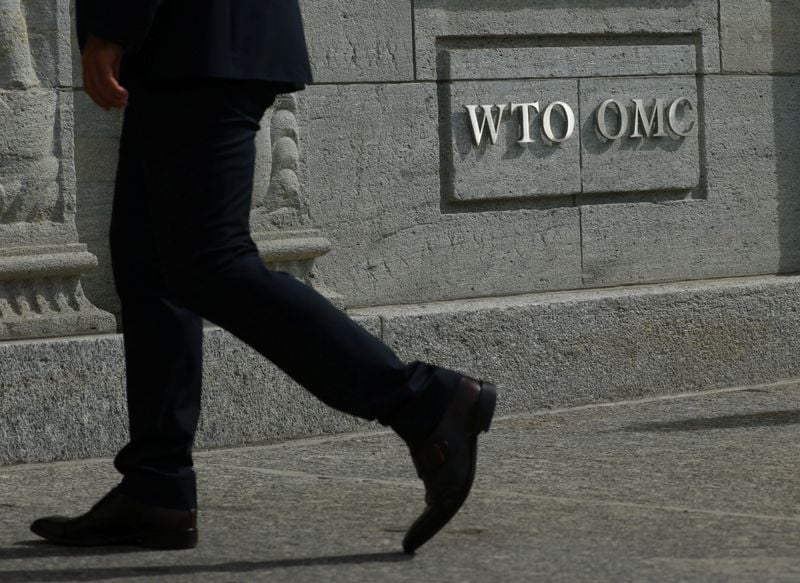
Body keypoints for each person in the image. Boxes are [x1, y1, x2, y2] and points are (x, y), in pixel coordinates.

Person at [29, 0, 496, 555]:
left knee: (211, 263)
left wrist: (114, 22)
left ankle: (425, 401)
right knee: (150, 266)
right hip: (193, 43)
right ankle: (157, 488)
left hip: (199, 36)